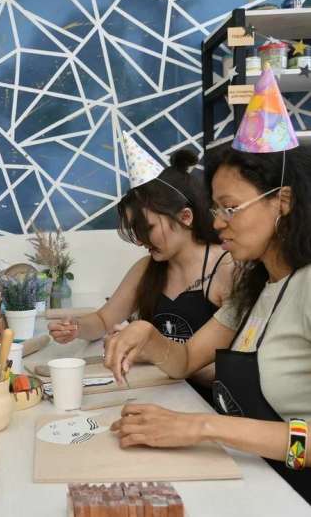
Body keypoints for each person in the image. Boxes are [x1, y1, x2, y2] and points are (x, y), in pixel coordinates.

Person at [105, 68, 310, 502]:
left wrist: (202, 425)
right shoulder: (257, 286)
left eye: (231, 208)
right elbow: (182, 362)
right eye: (215, 208)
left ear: (283, 201)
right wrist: (148, 336)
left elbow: (308, 445)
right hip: (257, 477)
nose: (217, 223)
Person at [49, 135, 233, 396]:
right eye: (135, 232)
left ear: (185, 217)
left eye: (147, 229)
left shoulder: (225, 269)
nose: (140, 242)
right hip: (157, 391)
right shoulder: (147, 268)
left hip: (205, 404)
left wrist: (154, 350)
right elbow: (104, 319)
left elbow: (232, 367)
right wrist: (76, 328)